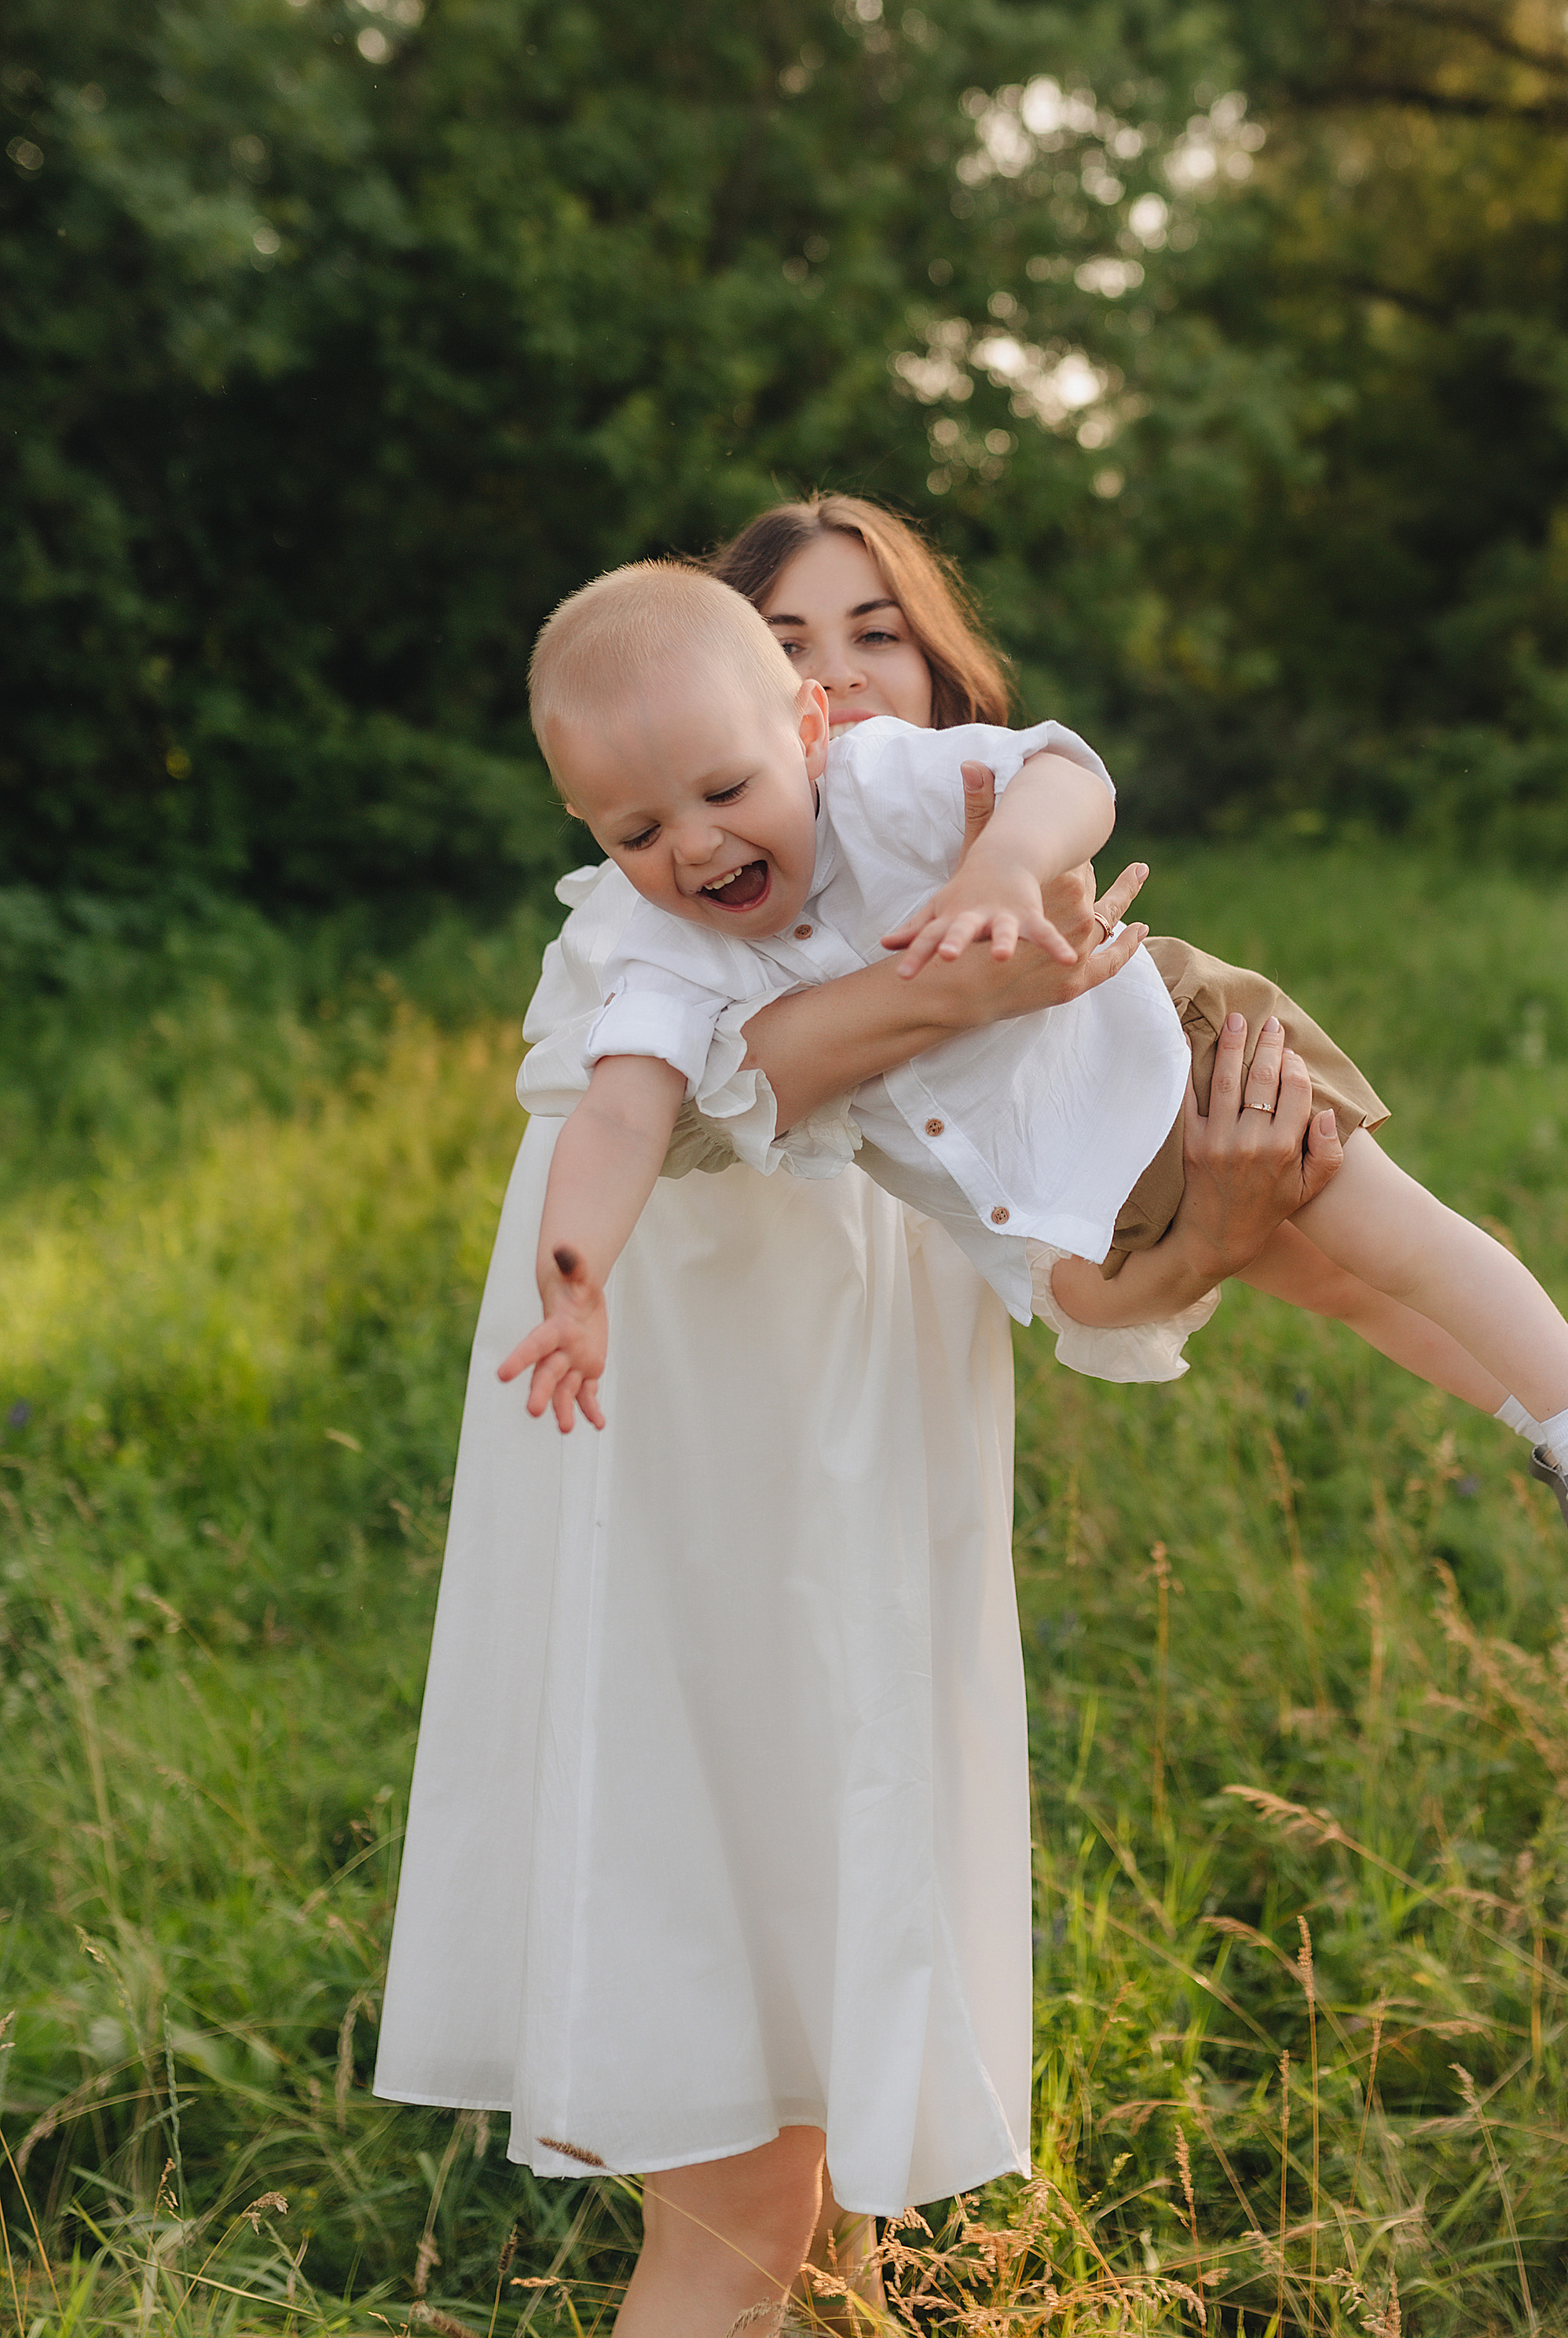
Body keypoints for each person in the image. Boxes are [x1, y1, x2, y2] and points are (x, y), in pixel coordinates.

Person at [374, 555, 1313, 2338]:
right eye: (788, 630)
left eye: (870, 635)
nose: (834, 667)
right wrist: (990, 976)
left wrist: (1204, 1232)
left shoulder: (936, 975)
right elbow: (721, 1085)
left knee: (807, 2173)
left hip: (844, 1632)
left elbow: (1064, 1292)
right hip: (690, 1635)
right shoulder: (662, 975)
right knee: (736, 2205)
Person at [504, 552, 1568, 1662]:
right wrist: (575, 1274)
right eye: (642, 830)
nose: (699, 843)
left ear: (805, 727)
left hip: (1168, 1052)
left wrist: (1003, 866)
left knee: (1390, 1241)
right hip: (1061, 1195)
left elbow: (1066, 771)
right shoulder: (664, 949)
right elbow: (620, 1113)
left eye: (725, 788)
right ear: (589, 827)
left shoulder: (880, 781)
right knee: (1353, 1289)